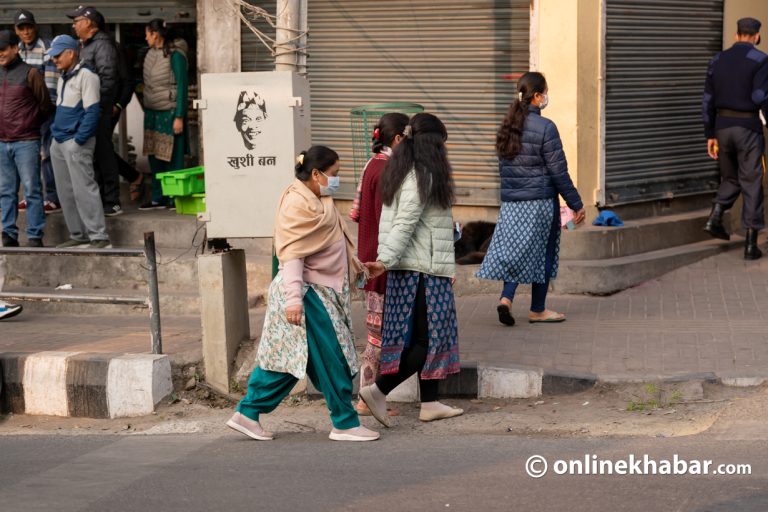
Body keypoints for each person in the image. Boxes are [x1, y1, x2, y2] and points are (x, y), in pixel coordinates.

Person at [227, 146, 379, 442]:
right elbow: (293, 255)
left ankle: (247, 412)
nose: (337, 179)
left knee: (290, 360)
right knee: (333, 357)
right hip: (306, 294)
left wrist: (359, 268)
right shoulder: (297, 204)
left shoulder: (319, 200)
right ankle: (345, 423)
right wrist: (295, 302)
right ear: (315, 173)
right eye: (334, 174)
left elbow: (331, 245)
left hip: (319, 292)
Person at [359, 113, 463, 427]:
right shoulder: (422, 174)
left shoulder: (405, 170)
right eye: (442, 144)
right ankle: (378, 390)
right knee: (429, 341)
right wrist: (384, 261)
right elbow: (403, 224)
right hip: (422, 271)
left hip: (421, 267)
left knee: (425, 338)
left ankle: (430, 402)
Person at [477, 72, 585, 326]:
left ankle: (506, 299)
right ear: (537, 96)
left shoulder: (507, 126)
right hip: (540, 203)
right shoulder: (546, 127)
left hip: (513, 202)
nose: (547, 97)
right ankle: (537, 309)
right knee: (542, 254)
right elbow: (559, 171)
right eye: (545, 92)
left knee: (517, 250)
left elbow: (504, 168)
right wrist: (575, 203)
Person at [350, 113, 408, 417]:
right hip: (380, 263)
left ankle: (368, 396)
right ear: (398, 139)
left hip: (369, 258)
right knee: (377, 335)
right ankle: (365, 398)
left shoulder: (370, 165)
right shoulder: (389, 171)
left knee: (377, 332)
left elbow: (357, 214)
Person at [702, 17, 768, 260]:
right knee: (751, 181)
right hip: (748, 129)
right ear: (757, 36)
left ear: (736, 34)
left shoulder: (717, 60)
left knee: (730, 177)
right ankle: (751, 245)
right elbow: (761, 95)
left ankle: (715, 216)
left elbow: (707, 101)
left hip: (722, 128)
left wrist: (709, 134)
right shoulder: (760, 60)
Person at [48, 35, 111, 249]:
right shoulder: (63, 76)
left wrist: (79, 140)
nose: (54, 59)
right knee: (65, 192)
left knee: (84, 188)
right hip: (59, 141)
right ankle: (79, 234)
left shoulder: (87, 75)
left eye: (57, 55)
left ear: (71, 53)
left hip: (76, 141)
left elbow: (93, 112)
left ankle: (99, 236)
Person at [68, 5, 122, 217]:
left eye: (77, 21)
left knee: (104, 153)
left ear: (89, 23)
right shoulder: (86, 45)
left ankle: (112, 200)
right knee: (94, 155)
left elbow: (108, 79)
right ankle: (100, 199)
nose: (74, 25)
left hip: (97, 110)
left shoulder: (103, 45)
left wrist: (97, 107)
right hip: (88, 110)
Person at [0, 29, 52, 248]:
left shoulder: (31, 73)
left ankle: (34, 235)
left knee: (32, 190)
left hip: (26, 141)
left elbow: (45, 106)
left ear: (15, 48)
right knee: (6, 191)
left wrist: (29, 123)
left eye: (2, 49)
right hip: (2, 142)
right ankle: (8, 234)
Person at [14, 8, 61, 214]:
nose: (26, 32)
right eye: (21, 28)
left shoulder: (46, 47)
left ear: (35, 27)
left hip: (45, 111)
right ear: (16, 30)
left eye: (29, 27)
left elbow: (50, 85)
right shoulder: (15, 49)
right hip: (24, 114)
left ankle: (52, 197)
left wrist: (44, 111)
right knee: (29, 155)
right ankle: (32, 195)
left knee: (47, 153)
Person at [140, 18, 189, 210]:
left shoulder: (176, 56)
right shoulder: (150, 54)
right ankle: (158, 197)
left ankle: (174, 198)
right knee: (154, 156)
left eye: (147, 34)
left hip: (169, 113)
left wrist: (179, 116)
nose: (145, 38)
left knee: (173, 157)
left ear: (155, 34)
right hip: (152, 112)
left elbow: (182, 87)